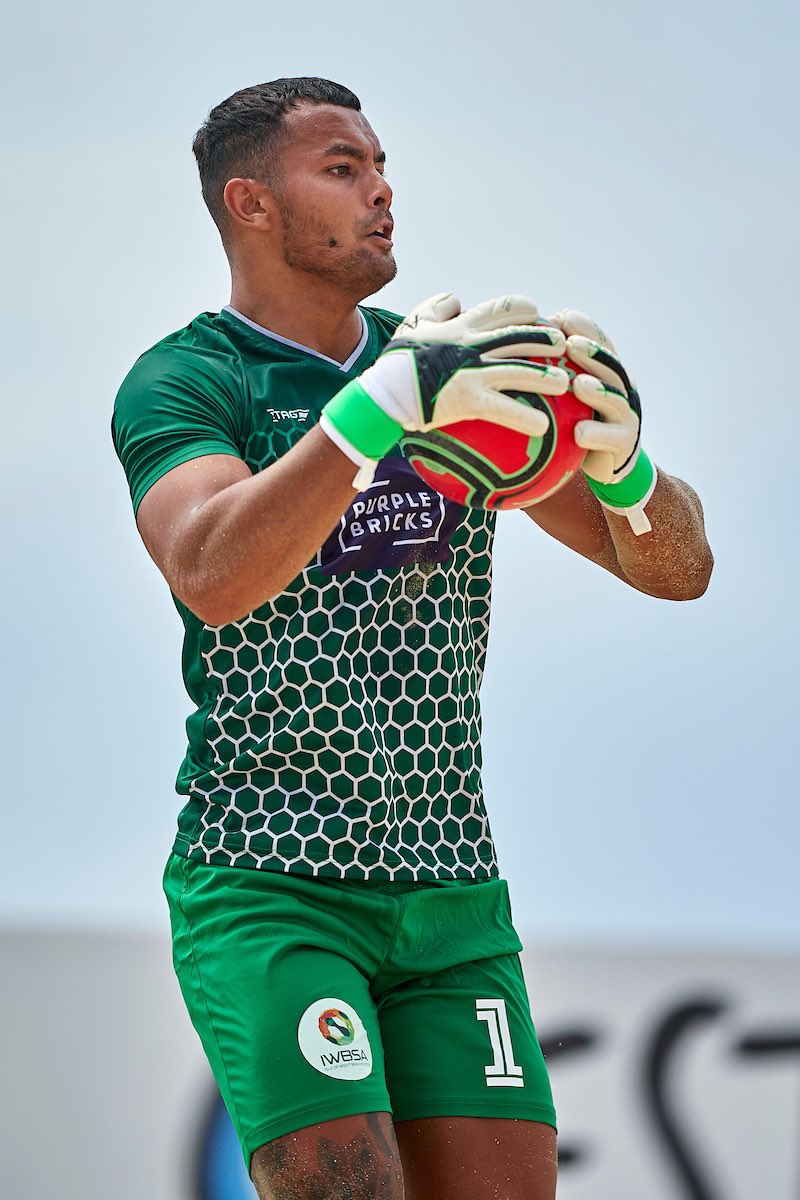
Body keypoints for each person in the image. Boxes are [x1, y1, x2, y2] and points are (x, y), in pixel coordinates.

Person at [112, 77, 713, 1200]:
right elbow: (211, 574)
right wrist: (375, 411)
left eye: (381, 166)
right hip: (271, 875)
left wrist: (630, 471)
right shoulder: (190, 379)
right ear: (250, 202)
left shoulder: (454, 373)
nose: (381, 191)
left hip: (451, 887)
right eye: (342, 169)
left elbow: (677, 573)